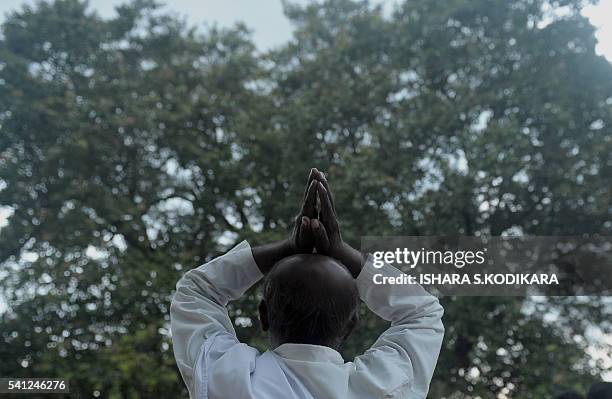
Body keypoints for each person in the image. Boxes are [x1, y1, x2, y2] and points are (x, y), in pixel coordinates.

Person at [170, 168, 445, 398]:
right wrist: (343, 252)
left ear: (263, 315)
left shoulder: (227, 380)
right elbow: (423, 312)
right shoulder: (383, 388)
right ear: (350, 327)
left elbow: (195, 291)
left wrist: (286, 248)